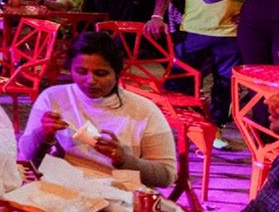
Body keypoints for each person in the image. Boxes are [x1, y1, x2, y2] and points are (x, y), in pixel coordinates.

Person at [19, 32, 176, 188]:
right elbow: (28, 159)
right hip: (65, 187)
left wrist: (124, 159)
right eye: (81, 72)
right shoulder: (53, 97)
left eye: (101, 73)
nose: (90, 81)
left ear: (117, 73)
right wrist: (43, 136)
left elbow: (166, 176)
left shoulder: (143, 110)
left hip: (121, 192)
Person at [144, 0, 244, 146]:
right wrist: (157, 16)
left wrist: (249, 13)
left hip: (230, 34)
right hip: (194, 30)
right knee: (179, 80)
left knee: (224, 84)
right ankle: (184, 124)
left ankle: (215, 129)